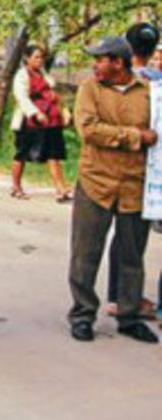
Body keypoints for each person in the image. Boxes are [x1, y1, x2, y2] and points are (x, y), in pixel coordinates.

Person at [65, 36, 158, 344]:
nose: (95, 65)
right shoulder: (89, 89)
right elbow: (89, 130)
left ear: (118, 62)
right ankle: (82, 314)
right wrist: (135, 136)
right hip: (96, 182)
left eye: (100, 59)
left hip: (135, 185)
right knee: (85, 254)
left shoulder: (149, 92)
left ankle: (129, 316)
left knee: (132, 256)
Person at [107, 22, 162, 318]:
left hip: (123, 165)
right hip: (153, 169)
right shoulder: (157, 83)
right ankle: (132, 297)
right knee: (134, 238)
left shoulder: (118, 82)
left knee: (123, 234)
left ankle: (116, 296)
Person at [9, 45, 71, 201]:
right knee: (22, 153)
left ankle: (60, 189)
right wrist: (35, 113)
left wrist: (63, 110)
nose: (40, 60)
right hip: (29, 120)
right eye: (36, 57)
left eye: (42, 57)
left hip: (50, 119)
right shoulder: (21, 76)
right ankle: (16, 186)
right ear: (27, 58)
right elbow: (21, 97)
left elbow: (53, 94)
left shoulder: (43, 74)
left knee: (53, 153)